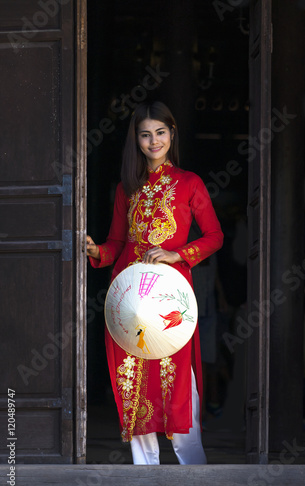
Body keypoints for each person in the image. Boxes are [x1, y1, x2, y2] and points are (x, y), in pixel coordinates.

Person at [87, 101, 224, 465]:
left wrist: (178, 254)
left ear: (171, 134)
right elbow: (117, 244)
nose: (153, 141)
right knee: (134, 380)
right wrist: (95, 249)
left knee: (178, 379)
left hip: (169, 298)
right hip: (129, 299)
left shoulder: (189, 183)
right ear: (137, 140)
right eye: (145, 134)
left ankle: (193, 471)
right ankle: (144, 476)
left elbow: (214, 236)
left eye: (160, 133)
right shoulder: (126, 188)